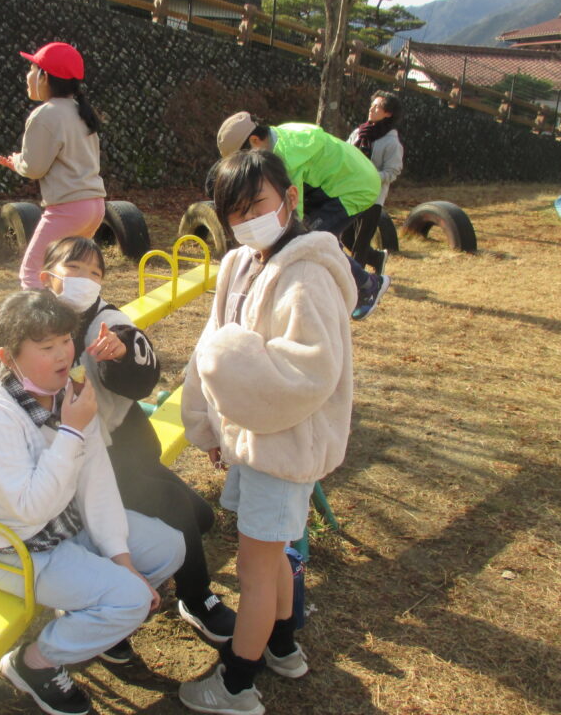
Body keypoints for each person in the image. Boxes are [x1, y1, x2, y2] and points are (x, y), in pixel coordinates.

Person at [178, 150, 355, 715]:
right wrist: (208, 420)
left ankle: (235, 685)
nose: (247, 220)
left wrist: (230, 366)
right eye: (235, 212)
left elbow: (309, 372)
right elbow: (209, 345)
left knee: (253, 571)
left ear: (289, 199)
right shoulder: (240, 264)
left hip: (285, 449)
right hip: (253, 441)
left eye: (258, 205)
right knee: (271, 555)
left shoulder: (306, 275)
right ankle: (281, 645)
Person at [0, 290, 185, 715]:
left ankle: (99, 624)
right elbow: (30, 507)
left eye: (65, 340)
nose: (63, 354)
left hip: (67, 526)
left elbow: (97, 478)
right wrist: (73, 432)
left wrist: (122, 560)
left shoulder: (68, 391)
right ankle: (33, 664)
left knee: (168, 546)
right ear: (8, 357)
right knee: (131, 600)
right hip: (16, 552)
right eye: (46, 347)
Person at [39, 236, 237, 649]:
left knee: (201, 517)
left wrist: (121, 354)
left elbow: (143, 373)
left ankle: (131, 580)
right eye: (74, 269)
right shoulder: (31, 321)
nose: (85, 280)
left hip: (119, 452)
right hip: (69, 461)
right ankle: (192, 598)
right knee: (176, 506)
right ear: (47, 277)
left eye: (95, 273)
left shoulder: (107, 320)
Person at [216, 112, 390, 321]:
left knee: (309, 238)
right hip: (340, 181)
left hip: (355, 186)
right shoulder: (280, 136)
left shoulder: (287, 159)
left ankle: (368, 285)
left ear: (254, 141)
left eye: (245, 158)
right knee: (314, 236)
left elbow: (291, 213)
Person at [0, 42, 107, 289]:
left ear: (44, 77)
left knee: (33, 274)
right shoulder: (81, 111)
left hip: (68, 208)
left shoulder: (45, 114)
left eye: (32, 69)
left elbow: (34, 168)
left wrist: (17, 162)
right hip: (94, 206)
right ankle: (75, 312)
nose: (28, 76)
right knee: (69, 272)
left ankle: (39, 316)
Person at [347, 90, 404, 276]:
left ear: (388, 113)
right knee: (346, 235)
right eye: (372, 105)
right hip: (349, 193)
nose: (371, 109)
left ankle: (357, 282)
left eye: (377, 107)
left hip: (372, 197)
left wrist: (369, 175)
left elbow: (392, 172)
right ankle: (377, 258)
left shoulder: (392, 142)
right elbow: (345, 155)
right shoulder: (358, 133)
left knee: (361, 242)